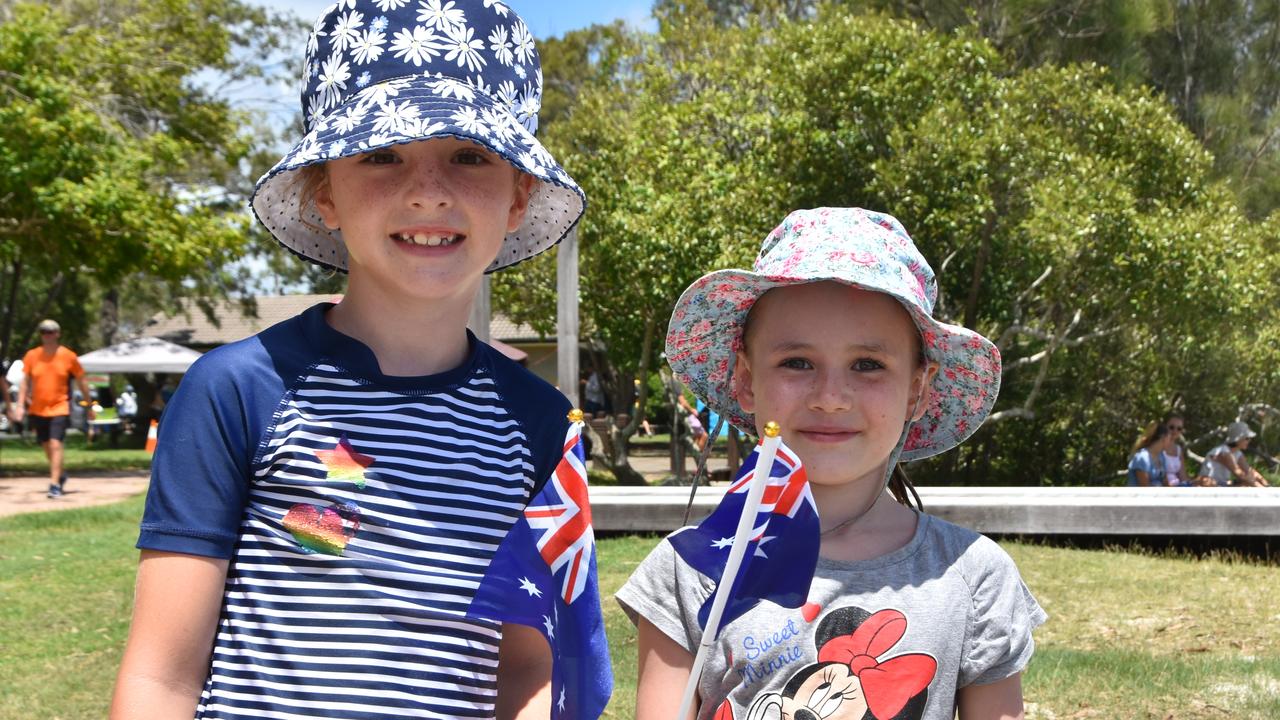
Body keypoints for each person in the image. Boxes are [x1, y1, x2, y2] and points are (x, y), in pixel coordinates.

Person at [109, 2, 592, 717]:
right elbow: (160, 679)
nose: (428, 190)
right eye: (381, 154)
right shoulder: (239, 388)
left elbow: (525, 675)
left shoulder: (542, 424)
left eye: (470, 155)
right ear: (322, 193)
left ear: (519, 195)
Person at [622, 208, 1045, 719]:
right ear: (745, 380)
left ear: (917, 389)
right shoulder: (690, 570)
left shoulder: (974, 576)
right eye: (796, 362)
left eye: (867, 365)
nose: (830, 397)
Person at [15, 319, 94, 498]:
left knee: (55, 444)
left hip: (60, 407)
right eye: (44, 331)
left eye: (50, 331)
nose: (47, 335)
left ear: (57, 333)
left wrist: (89, 404)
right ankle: (60, 474)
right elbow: (25, 382)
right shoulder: (32, 356)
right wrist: (20, 405)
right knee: (46, 446)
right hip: (37, 408)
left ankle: (54, 484)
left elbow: (82, 381)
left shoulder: (68, 356)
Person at [1195, 421, 1271, 487]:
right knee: (1245, 483)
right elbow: (1239, 474)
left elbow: (1249, 471)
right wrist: (1262, 490)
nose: (1249, 441)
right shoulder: (1224, 451)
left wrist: (1266, 485)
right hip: (1208, 485)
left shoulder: (1237, 453)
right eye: (1247, 438)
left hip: (1221, 485)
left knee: (1246, 484)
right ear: (1237, 439)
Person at [1127, 422, 1171, 487]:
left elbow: (1165, 483)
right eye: (1169, 438)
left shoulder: (1161, 456)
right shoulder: (1142, 458)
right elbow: (1145, 487)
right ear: (1163, 438)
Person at [1160, 413, 1191, 486]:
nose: (1175, 431)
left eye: (1179, 428)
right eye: (1171, 427)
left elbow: (1183, 476)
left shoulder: (1178, 449)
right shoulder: (1158, 448)